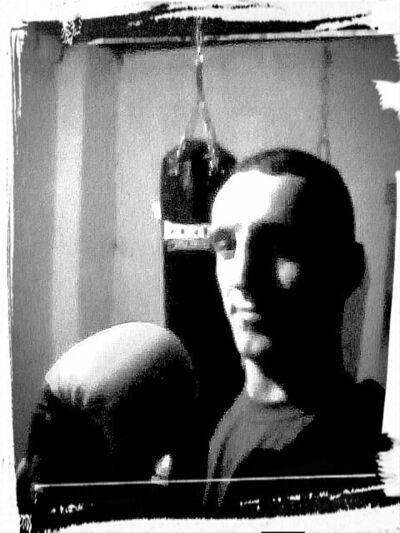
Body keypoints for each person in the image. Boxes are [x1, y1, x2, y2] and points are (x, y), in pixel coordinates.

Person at [204, 148, 387, 515]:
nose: (242, 276)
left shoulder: (362, 461)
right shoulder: (227, 417)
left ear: (348, 269)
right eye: (227, 246)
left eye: (281, 246)